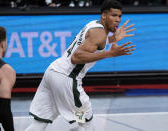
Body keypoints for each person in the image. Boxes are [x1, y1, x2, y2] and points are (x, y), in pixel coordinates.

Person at [26, 0, 135, 130]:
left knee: (40, 122)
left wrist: (113, 39)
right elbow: (76, 58)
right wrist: (109, 54)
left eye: (119, 16)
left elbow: (96, 43)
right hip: (66, 78)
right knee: (85, 121)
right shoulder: (99, 33)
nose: (117, 19)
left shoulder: (94, 25)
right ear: (104, 16)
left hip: (52, 73)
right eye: (113, 15)